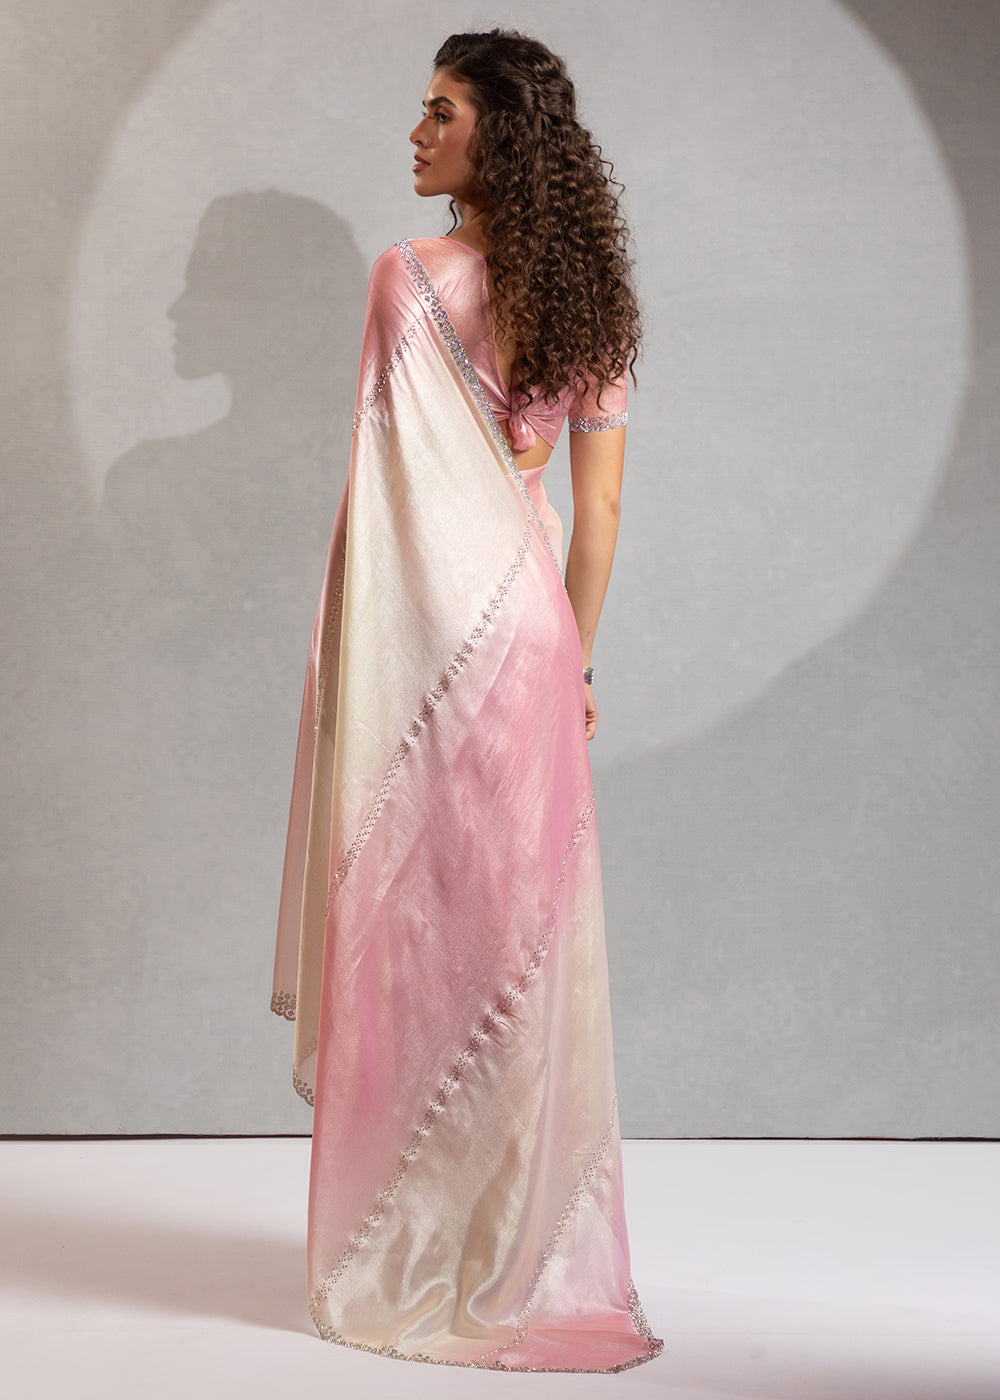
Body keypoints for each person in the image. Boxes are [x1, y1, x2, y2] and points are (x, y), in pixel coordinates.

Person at [272, 28, 662, 1373]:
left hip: (431, 641)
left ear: (501, 131)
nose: (416, 132)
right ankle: (516, 1246)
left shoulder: (409, 278)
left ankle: (414, 1245)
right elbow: (599, 516)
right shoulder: (593, 300)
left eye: (440, 110)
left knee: (417, 932)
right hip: (533, 640)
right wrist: (577, 662)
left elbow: (392, 510)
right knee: (519, 945)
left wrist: (368, 661)